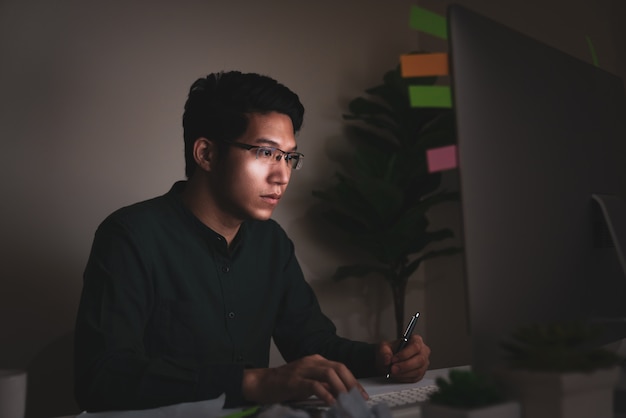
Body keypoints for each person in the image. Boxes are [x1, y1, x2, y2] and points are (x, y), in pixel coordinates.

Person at [73, 70, 431, 412]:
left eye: (289, 157)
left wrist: (381, 357)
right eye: (265, 153)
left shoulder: (271, 243)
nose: (282, 175)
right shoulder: (131, 235)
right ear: (207, 154)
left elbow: (313, 344)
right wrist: (252, 382)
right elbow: (102, 377)